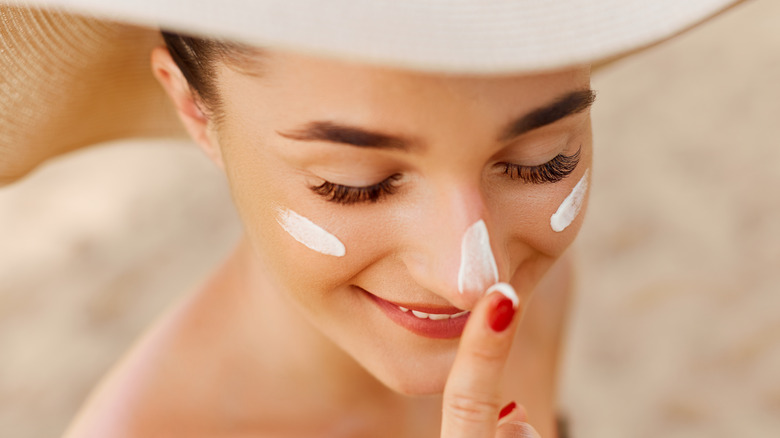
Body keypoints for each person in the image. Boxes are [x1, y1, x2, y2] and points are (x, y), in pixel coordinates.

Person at [0, 1, 743, 437]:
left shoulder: (528, 290)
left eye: (541, 163)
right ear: (195, 107)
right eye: (356, 185)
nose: (470, 275)